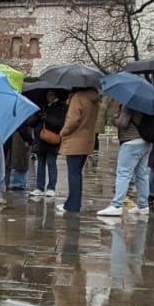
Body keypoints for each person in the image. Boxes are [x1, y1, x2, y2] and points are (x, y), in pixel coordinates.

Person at [56, 86, 101, 214]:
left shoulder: (78, 98)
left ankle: (73, 205)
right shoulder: (94, 99)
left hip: (75, 140)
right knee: (78, 173)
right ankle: (72, 202)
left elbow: (73, 121)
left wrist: (63, 132)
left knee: (73, 174)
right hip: (87, 140)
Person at [29, 91, 66, 200]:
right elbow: (32, 122)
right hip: (40, 140)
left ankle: (51, 187)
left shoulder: (61, 107)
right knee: (40, 164)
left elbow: (60, 123)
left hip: (52, 139)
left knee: (51, 163)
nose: (48, 96)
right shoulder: (42, 106)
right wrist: (38, 116)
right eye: (47, 94)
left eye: (51, 94)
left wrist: (47, 118)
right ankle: (39, 187)